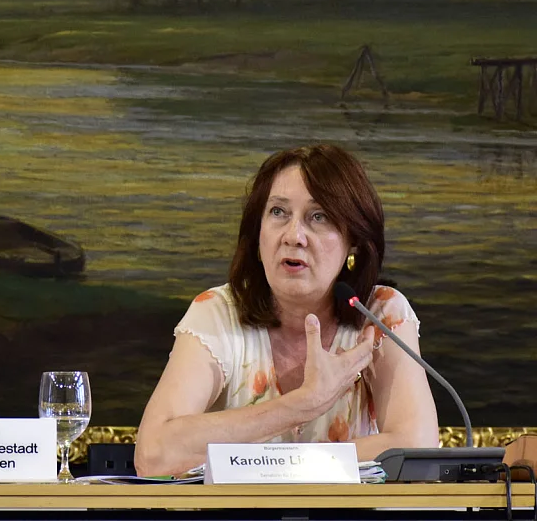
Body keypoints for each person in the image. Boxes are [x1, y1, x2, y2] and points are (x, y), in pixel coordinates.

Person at [135, 145, 439, 477]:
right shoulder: (217, 313)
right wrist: (302, 404)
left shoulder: (379, 312)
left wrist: (272, 463)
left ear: (354, 239)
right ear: (257, 234)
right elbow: (153, 456)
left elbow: (416, 449)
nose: (293, 236)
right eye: (278, 212)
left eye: (318, 217)